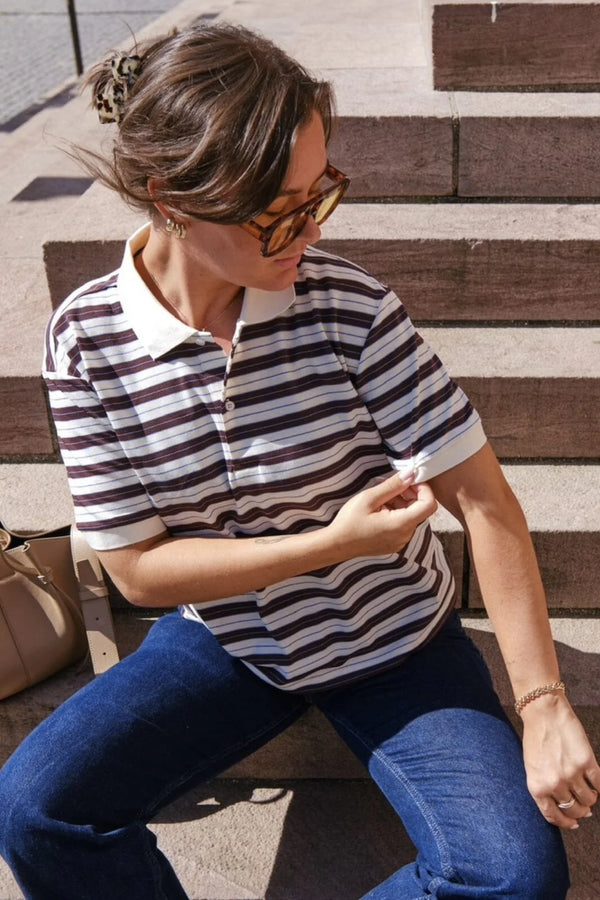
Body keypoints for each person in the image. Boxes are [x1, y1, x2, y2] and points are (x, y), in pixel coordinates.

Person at [0, 21, 597, 900]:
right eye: (279, 212)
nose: (309, 230)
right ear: (171, 197)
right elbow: (136, 570)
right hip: (231, 643)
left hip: (397, 636)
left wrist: (544, 706)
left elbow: (484, 500)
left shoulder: (348, 307)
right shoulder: (86, 341)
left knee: (511, 876)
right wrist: (330, 544)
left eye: (322, 193)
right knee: (35, 809)